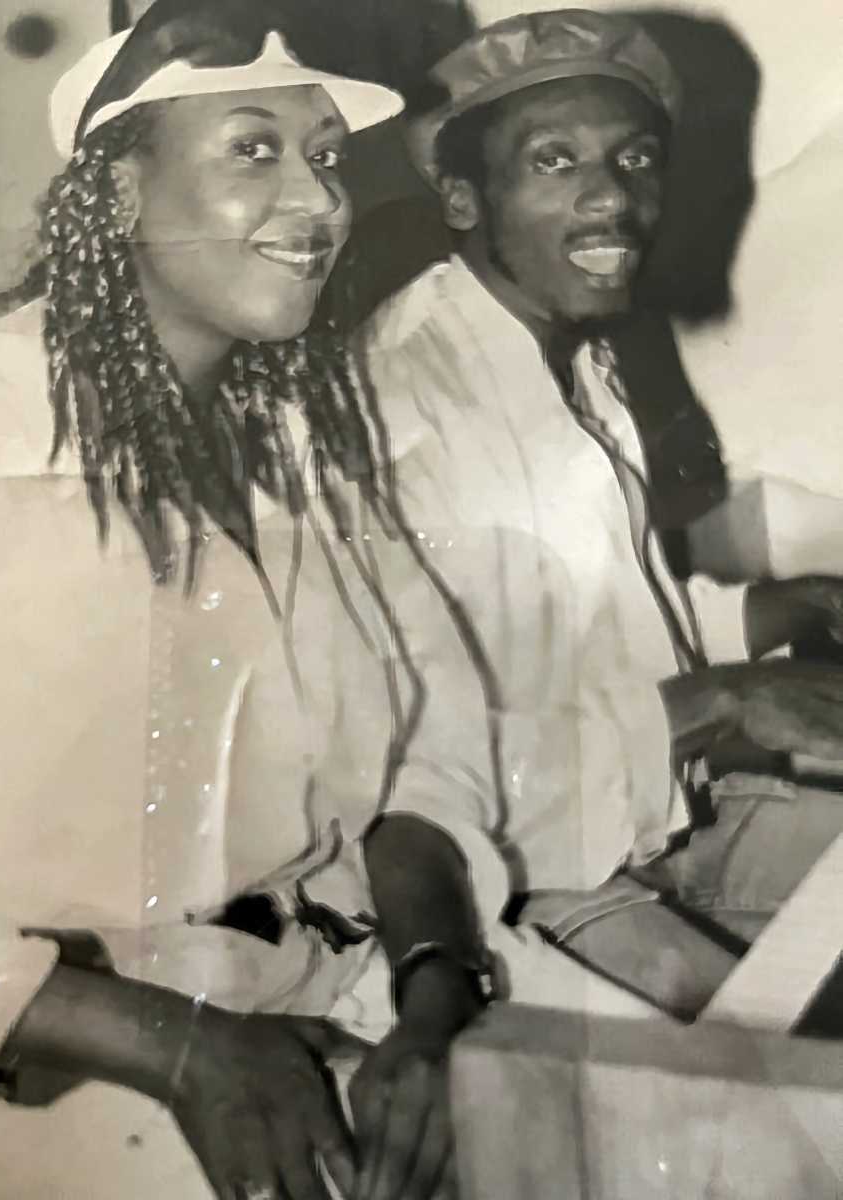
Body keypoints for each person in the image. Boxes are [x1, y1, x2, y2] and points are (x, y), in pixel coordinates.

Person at [0, 2, 439, 1198]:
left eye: (325, 156)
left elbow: (402, 776)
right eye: (253, 149)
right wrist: (178, 1049)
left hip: (307, 997)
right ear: (119, 191)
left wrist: (436, 991)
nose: (320, 201)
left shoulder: (290, 445)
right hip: (77, 1070)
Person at [354, 7, 843, 1175]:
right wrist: (728, 701)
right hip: (509, 889)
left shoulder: (578, 359)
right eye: (553, 161)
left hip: (649, 823)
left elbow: (604, 629)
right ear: (462, 199)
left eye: (633, 158)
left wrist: (802, 607)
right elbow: (415, 772)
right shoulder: (408, 400)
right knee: (797, 1119)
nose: (611, 198)